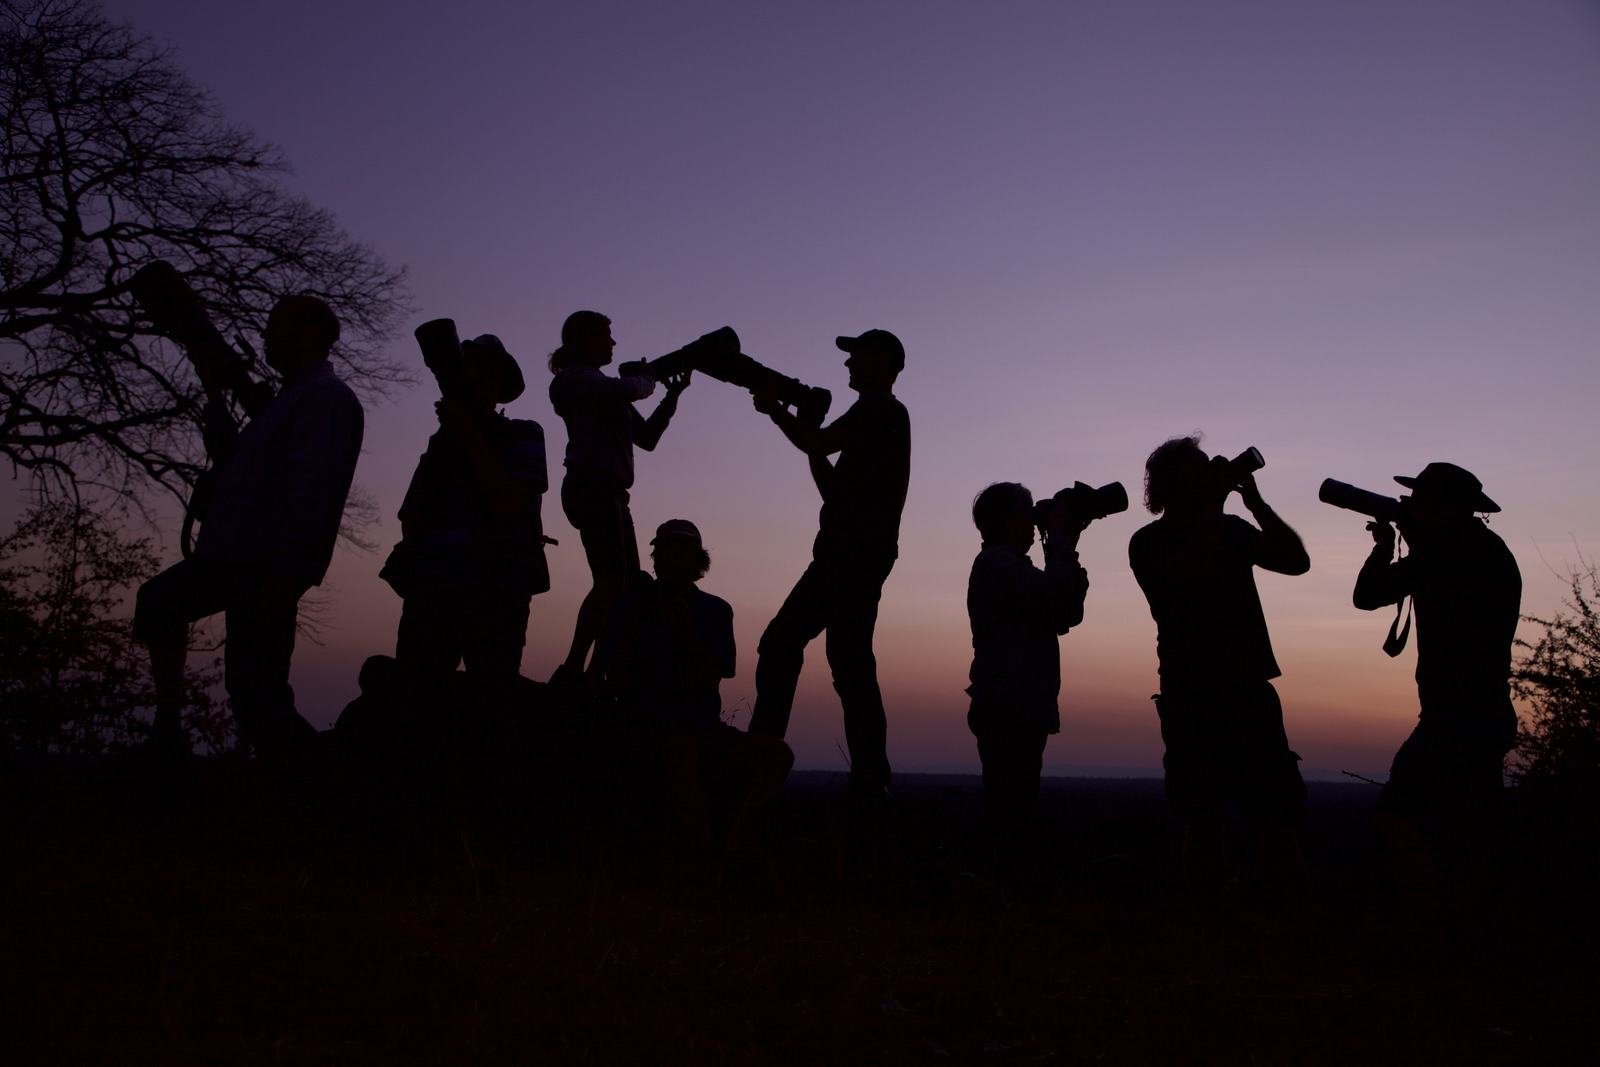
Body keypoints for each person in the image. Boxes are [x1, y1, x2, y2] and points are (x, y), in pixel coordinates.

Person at [133, 295, 363, 759]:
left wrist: (288, 572)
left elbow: (316, 493)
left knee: (257, 696)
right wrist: (215, 394)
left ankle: (324, 786)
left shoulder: (325, 399)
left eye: (275, 326)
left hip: (264, 567)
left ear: (306, 334)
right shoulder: (288, 400)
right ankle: (169, 733)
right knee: (166, 609)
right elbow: (232, 460)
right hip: (238, 559)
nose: (264, 335)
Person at [1127, 436, 1311, 902]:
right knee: (1202, 817)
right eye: (1197, 468)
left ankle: (1287, 916)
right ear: (1171, 483)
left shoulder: (1231, 527)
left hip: (1248, 689)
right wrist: (1213, 503)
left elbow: (1296, 561)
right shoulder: (1150, 542)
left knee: (1273, 815)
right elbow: (1193, 572)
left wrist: (1256, 505)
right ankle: (1208, 920)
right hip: (1193, 694)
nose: (1210, 470)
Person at [746, 329, 911, 799]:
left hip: (851, 555)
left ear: (882, 362)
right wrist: (804, 428)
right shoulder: (879, 415)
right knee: (848, 662)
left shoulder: (878, 409)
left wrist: (778, 411)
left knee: (783, 643)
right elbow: (833, 485)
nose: (847, 366)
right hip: (857, 553)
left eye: (856, 357)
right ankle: (869, 777)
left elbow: (816, 445)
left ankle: (762, 752)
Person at [1350, 462, 1520, 907]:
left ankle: (1433, 919)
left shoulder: (1452, 550)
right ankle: (1472, 926)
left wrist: (1385, 547)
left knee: (1398, 817)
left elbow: (1367, 595)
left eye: (1421, 499)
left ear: (1442, 506)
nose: (1410, 505)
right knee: (1469, 832)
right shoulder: (1478, 548)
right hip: (1478, 714)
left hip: (1457, 718)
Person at [592, 520, 795, 849]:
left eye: (680, 551)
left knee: (777, 755)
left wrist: (686, 631)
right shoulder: (627, 607)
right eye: (663, 551)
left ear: (697, 561)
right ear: (655, 559)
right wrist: (637, 622)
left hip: (703, 730)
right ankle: (700, 856)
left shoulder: (714, 611)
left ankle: (732, 842)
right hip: (643, 727)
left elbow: (712, 676)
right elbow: (614, 680)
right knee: (678, 750)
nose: (669, 559)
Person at [380, 335, 549, 685]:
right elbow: (409, 517)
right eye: (470, 367)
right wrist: (450, 441)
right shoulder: (442, 443)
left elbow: (507, 498)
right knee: (417, 698)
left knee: (491, 699)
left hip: (497, 589)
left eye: (486, 369)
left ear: (500, 385)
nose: (476, 375)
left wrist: (468, 432)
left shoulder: (523, 433)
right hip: (430, 589)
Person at [548, 311, 691, 683]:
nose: (613, 344)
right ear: (586, 340)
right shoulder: (575, 379)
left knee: (623, 588)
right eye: (607, 336)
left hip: (611, 492)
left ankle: (596, 671)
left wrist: (671, 397)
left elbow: (646, 439)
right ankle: (574, 668)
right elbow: (628, 389)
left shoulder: (606, 389)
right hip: (590, 485)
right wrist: (648, 378)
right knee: (611, 581)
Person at [966, 483, 1090, 834]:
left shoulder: (1014, 568)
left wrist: (1066, 544)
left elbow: (1066, 612)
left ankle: (1005, 881)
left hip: (1019, 707)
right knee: (1010, 818)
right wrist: (1060, 540)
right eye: (1028, 513)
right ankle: (1003, 884)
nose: (1035, 522)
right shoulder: (995, 563)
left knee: (1015, 813)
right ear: (1006, 520)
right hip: (1008, 707)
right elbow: (1055, 595)